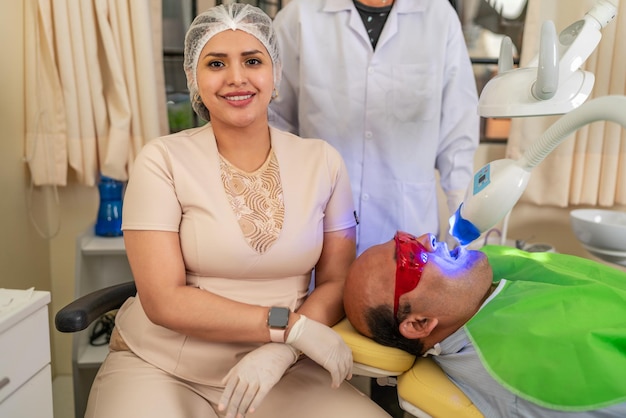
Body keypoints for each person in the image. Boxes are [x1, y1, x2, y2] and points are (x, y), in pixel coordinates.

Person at [84, 4, 391, 418]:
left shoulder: (324, 162)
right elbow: (162, 300)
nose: (236, 78)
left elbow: (336, 281)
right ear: (193, 76)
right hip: (163, 366)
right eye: (216, 63)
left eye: (252, 60)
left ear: (275, 73)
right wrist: (291, 327)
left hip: (284, 368)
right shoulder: (161, 160)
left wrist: (281, 353)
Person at [268, 0, 479, 255]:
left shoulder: (439, 17)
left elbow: (458, 136)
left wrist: (466, 228)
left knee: (404, 292)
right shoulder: (299, 16)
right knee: (323, 292)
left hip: (407, 228)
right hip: (319, 228)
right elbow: (275, 122)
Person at [344, 231, 626, 418]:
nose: (427, 238)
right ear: (419, 324)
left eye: (406, 237)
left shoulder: (476, 289)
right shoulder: (525, 362)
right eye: (411, 258)